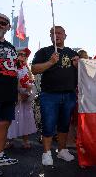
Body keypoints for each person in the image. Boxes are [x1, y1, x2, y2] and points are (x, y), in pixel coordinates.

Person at [31, 26, 79, 166]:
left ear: (65, 35)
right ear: (50, 36)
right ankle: (46, 153)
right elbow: (34, 69)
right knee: (48, 124)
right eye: (53, 33)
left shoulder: (72, 53)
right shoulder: (43, 51)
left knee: (64, 125)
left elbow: (83, 72)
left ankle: (62, 150)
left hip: (69, 94)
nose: (56, 35)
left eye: (59, 33)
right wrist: (50, 62)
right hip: (49, 95)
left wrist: (78, 65)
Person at [0, 13, 18, 177]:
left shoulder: (11, 47)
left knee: (4, 124)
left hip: (8, 92)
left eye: (3, 23)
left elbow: (15, 70)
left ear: (8, 27)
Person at [7, 48, 37, 149]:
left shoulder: (27, 68)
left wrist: (28, 92)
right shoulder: (12, 67)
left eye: (24, 55)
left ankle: (25, 140)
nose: (22, 56)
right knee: (12, 119)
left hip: (25, 98)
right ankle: (8, 140)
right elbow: (11, 82)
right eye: (20, 54)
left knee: (26, 118)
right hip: (16, 97)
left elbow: (31, 81)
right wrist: (18, 92)